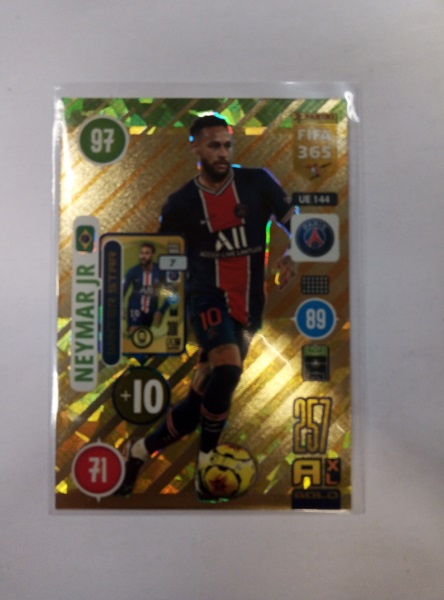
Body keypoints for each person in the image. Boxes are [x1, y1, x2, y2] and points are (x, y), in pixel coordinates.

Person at [116, 114, 296, 500]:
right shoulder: (181, 203)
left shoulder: (257, 183)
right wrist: (149, 312)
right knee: (228, 370)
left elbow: (298, 224)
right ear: (195, 147)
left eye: (227, 146)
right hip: (206, 299)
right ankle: (206, 467)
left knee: (199, 402)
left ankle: (138, 451)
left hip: (248, 307)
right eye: (214, 146)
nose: (222, 153)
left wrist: (292, 254)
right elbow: (162, 262)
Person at [123, 242, 169, 335]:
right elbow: (121, 291)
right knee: (134, 331)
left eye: (147, 253)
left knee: (144, 335)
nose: (143, 256)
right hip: (135, 307)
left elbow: (172, 294)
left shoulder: (160, 272)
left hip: (151, 310)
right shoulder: (133, 271)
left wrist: (161, 311)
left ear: (153, 255)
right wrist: (121, 307)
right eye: (142, 253)